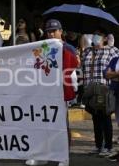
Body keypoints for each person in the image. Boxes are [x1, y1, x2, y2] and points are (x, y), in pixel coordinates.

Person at [26, 19, 79, 166]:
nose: (51, 34)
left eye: (54, 31)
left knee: (62, 123)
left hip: (61, 91)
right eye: (48, 31)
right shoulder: (41, 47)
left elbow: (74, 66)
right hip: (44, 91)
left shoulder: (68, 48)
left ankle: (63, 156)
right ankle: (42, 154)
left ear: (60, 32)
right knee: (43, 121)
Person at [82, 28, 118, 157]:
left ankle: (108, 147)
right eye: (95, 34)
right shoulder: (87, 51)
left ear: (105, 38)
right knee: (95, 118)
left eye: (99, 35)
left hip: (105, 88)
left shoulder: (111, 51)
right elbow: (83, 67)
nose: (96, 36)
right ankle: (98, 145)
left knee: (105, 117)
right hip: (90, 89)